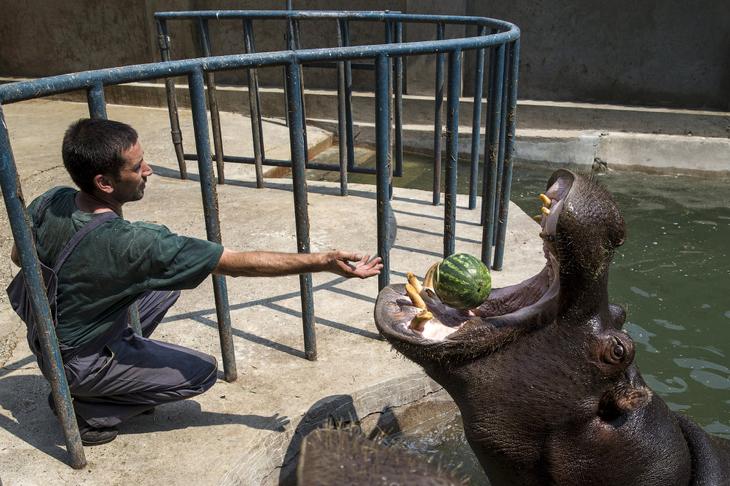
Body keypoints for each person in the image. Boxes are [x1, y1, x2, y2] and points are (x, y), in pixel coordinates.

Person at [10, 118, 382, 446]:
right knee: (199, 373)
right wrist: (322, 261)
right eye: (138, 166)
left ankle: (95, 365)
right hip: (78, 361)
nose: (149, 170)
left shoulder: (51, 200)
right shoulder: (135, 243)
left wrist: (89, 284)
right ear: (104, 182)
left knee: (165, 283)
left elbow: (18, 258)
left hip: (44, 329)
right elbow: (235, 264)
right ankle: (84, 407)